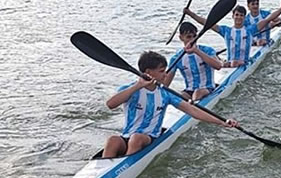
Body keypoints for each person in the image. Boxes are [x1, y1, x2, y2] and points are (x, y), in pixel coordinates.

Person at [102, 51, 238, 158]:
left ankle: (126, 167)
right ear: (148, 73)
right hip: (127, 136)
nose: (165, 75)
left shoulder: (165, 94)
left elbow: (194, 111)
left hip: (149, 137)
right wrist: (137, 85)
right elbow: (110, 104)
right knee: (112, 140)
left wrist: (221, 122)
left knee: (136, 139)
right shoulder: (130, 90)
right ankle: (105, 172)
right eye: (161, 71)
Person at [184, 0, 281, 67]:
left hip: (244, 65)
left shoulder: (250, 30)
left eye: (241, 15)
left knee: (236, 62)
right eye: (236, 15)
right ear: (233, 16)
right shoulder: (226, 31)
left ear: (244, 17)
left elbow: (268, 19)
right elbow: (207, 23)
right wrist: (191, 14)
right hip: (230, 65)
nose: (239, 17)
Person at [162, 22, 223, 102]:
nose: (192, 40)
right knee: (179, 96)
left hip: (208, 88)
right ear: (181, 38)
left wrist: (196, 51)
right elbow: (165, 85)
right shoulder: (176, 58)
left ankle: (195, 107)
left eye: (194, 37)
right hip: (189, 91)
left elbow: (218, 66)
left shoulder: (207, 50)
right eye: (188, 37)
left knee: (197, 93)